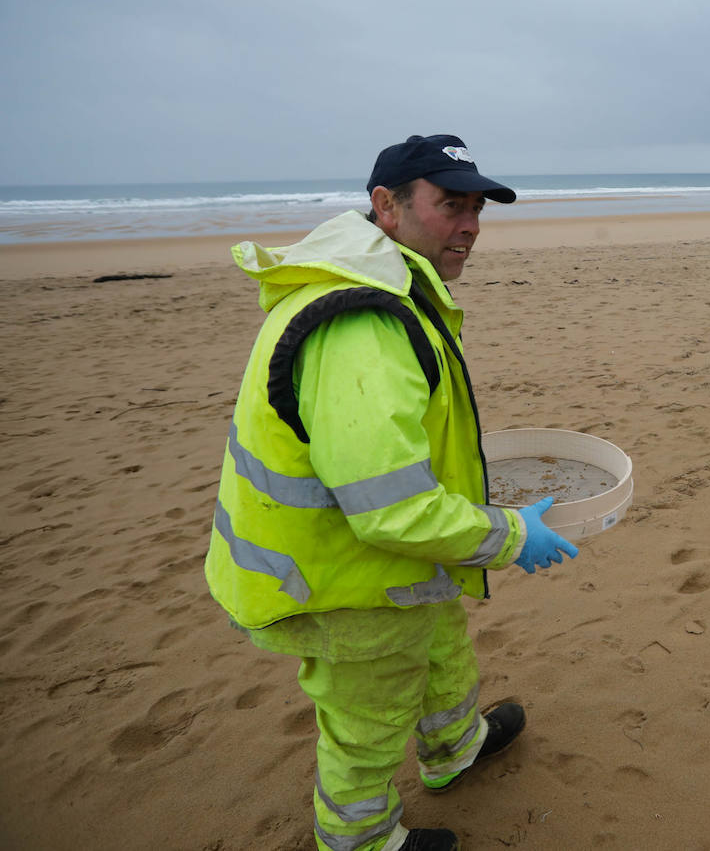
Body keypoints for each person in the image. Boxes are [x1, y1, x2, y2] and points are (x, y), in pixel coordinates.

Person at [203, 134, 579, 851]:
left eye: (476, 208)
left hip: (400, 569)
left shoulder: (394, 288)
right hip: (343, 582)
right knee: (365, 724)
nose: (469, 225)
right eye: (450, 206)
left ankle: (453, 748)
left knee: (442, 647)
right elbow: (390, 509)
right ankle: (363, 839)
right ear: (386, 206)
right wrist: (510, 535)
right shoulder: (361, 325)